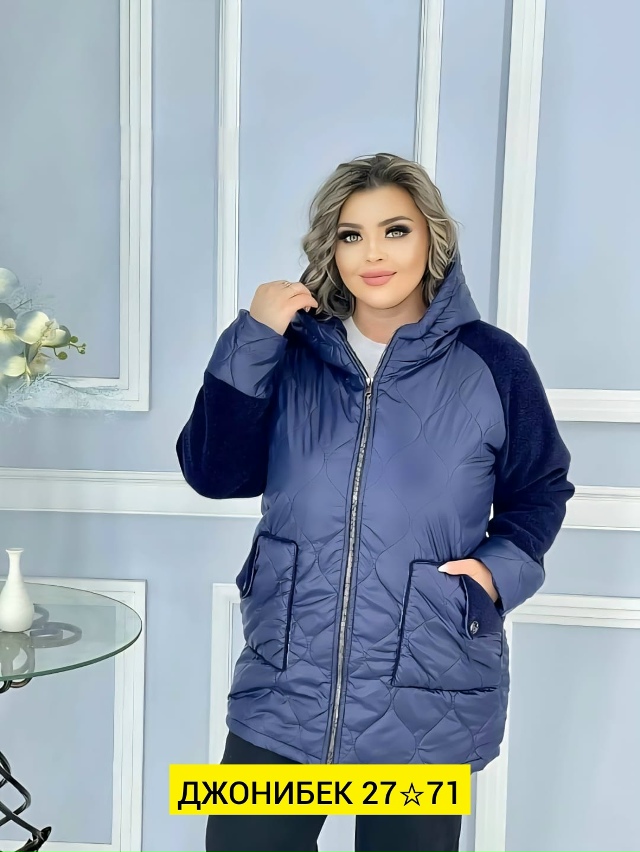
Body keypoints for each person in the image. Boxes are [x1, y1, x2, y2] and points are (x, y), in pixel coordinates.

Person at [176, 152, 575, 852]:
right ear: (330, 249)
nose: (374, 254)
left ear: (431, 238)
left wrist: (492, 576)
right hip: (286, 680)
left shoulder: (493, 361)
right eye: (351, 235)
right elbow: (215, 472)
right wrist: (253, 337)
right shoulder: (288, 351)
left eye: (395, 230)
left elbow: (540, 488)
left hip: (428, 686)